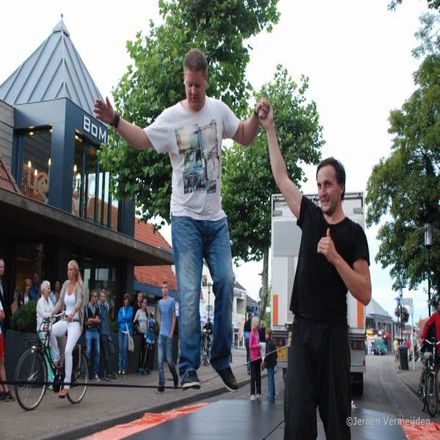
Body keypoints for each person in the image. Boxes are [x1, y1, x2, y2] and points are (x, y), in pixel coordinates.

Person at [94, 48, 268, 391]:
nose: (193, 92)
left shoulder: (218, 111)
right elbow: (143, 139)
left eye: (198, 86)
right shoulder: (172, 118)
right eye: (189, 85)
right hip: (186, 219)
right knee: (188, 294)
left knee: (225, 281)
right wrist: (115, 120)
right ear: (184, 80)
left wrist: (255, 116)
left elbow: (245, 136)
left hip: (216, 221)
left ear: (206, 81)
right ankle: (188, 368)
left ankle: (220, 359)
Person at [261, 102, 372, 439]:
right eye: (319, 185)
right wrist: (270, 129)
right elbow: (282, 178)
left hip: (334, 335)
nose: (321, 191)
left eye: (327, 185)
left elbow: (364, 292)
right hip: (303, 331)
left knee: (337, 424)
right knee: (297, 423)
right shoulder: (309, 216)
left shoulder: (354, 234)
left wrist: (336, 258)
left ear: (340, 187)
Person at [49, 260, 84, 398]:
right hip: (65, 320)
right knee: (50, 330)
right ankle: (57, 357)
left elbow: (79, 302)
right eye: (67, 269)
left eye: (70, 269)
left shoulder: (79, 286)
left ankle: (67, 385)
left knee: (68, 350)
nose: (68, 272)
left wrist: (73, 312)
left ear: (75, 271)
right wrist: (50, 313)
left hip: (75, 322)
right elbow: (59, 302)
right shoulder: (65, 284)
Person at [157, 280, 179, 393]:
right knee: (160, 361)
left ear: (168, 289)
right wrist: (160, 331)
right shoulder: (159, 303)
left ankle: (175, 376)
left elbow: (174, 318)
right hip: (161, 335)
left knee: (170, 361)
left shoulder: (172, 301)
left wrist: (171, 333)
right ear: (161, 289)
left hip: (168, 335)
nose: (164, 289)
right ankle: (161, 385)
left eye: (166, 287)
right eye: (163, 287)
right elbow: (161, 318)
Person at [0, 260, 15, 402]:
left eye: (3, 266)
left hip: (1, 328)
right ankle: (4, 390)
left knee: (1, 360)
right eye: (0, 266)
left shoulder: (3, 284)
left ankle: (4, 390)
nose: (2, 269)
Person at [36, 280, 55, 384]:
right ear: (43, 290)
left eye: (49, 288)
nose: (49, 290)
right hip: (42, 330)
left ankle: (52, 378)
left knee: (52, 354)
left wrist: (51, 315)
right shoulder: (40, 302)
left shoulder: (50, 301)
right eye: (48, 288)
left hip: (50, 329)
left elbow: (53, 316)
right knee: (48, 353)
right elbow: (44, 315)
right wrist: (50, 315)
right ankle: (50, 380)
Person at [84, 289, 101, 381]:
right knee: (88, 351)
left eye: (96, 297)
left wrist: (91, 320)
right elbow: (86, 322)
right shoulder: (86, 307)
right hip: (89, 331)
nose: (96, 298)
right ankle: (87, 372)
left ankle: (95, 373)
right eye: (94, 296)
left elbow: (99, 321)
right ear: (91, 297)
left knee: (97, 352)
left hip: (96, 331)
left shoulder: (97, 307)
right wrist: (93, 320)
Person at [99, 289, 114, 381]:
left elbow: (108, 320)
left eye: (104, 297)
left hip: (107, 332)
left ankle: (108, 372)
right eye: (101, 296)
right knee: (105, 353)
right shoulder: (99, 307)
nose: (102, 298)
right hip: (102, 332)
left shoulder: (106, 306)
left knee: (110, 352)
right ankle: (107, 373)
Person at [117, 293, 133, 376]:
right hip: (121, 331)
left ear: (129, 301)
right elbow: (119, 320)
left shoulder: (131, 309)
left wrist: (124, 317)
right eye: (125, 299)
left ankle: (124, 369)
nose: (126, 301)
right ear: (123, 301)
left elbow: (130, 317)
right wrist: (125, 318)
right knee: (120, 350)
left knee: (124, 349)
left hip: (127, 331)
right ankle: (119, 368)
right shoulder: (120, 309)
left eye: (127, 300)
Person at [133, 297, 149, 374]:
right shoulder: (138, 311)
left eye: (146, 303)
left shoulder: (146, 313)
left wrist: (148, 333)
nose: (145, 304)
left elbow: (147, 324)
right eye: (144, 303)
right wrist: (137, 328)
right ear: (141, 304)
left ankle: (143, 367)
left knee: (144, 351)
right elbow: (134, 321)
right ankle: (138, 367)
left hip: (145, 334)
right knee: (139, 351)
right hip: (139, 334)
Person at [263, 327, 277, 403]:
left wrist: (264, 361)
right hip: (273, 363)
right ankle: (273, 392)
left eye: (266, 334)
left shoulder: (268, 343)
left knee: (270, 378)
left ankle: (270, 394)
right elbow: (275, 354)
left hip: (270, 363)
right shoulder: (273, 342)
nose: (265, 336)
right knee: (272, 378)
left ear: (269, 335)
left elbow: (267, 354)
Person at [249, 315, 262, 401]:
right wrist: (258, 345)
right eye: (258, 322)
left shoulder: (257, 333)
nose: (259, 324)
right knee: (253, 376)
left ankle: (259, 393)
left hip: (258, 357)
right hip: (253, 358)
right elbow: (250, 346)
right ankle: (252, 393)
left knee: (258, 376)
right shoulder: (252, 334)